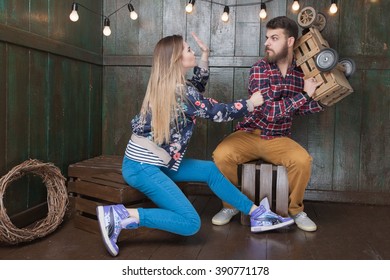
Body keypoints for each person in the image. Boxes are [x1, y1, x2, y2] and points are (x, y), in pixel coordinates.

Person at [96, 33, 294, 257]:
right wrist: (250, 103)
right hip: (142, 167)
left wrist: (205, 57)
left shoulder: (175, 85)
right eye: (189, 50)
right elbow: (215, 112)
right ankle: (122, 216)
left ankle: (258, 214)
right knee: (190, 222)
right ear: (176, 59)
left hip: (155, 163)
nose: (193, 52)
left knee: (210, 170)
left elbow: (197, 87)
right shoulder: (181, 92)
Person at [212, 16, 324, 232]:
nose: (267, 43)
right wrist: (305, 95)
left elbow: (299, 108)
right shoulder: (259, 69)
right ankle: (230, 205)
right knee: (221, 155)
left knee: (302, 161)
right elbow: (269, 111)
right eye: (267, 38)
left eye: (274, 38)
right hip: (248, 133)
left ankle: (295, 210)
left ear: (290, 42)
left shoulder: (301, 74)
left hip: (278, 137)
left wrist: (321, 99)